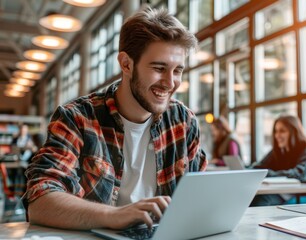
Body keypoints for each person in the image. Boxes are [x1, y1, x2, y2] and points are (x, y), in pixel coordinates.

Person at [24, 7, 207, 230]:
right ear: (126, 64)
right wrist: (115, 215)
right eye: (159, 68)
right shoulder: (77, 118)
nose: (170, 83)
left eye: (177, 70)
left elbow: (199, 198)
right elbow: (40, 202)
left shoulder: (183, 121)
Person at [250, 115, 306, 206]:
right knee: (256, 199)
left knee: (265, 201)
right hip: (291, 193)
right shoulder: (278, 151)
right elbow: (258, 168)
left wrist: (267, 173)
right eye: (276, 131)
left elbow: (303, 175)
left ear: (294, 132)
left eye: (282, 131)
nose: (277, 135)